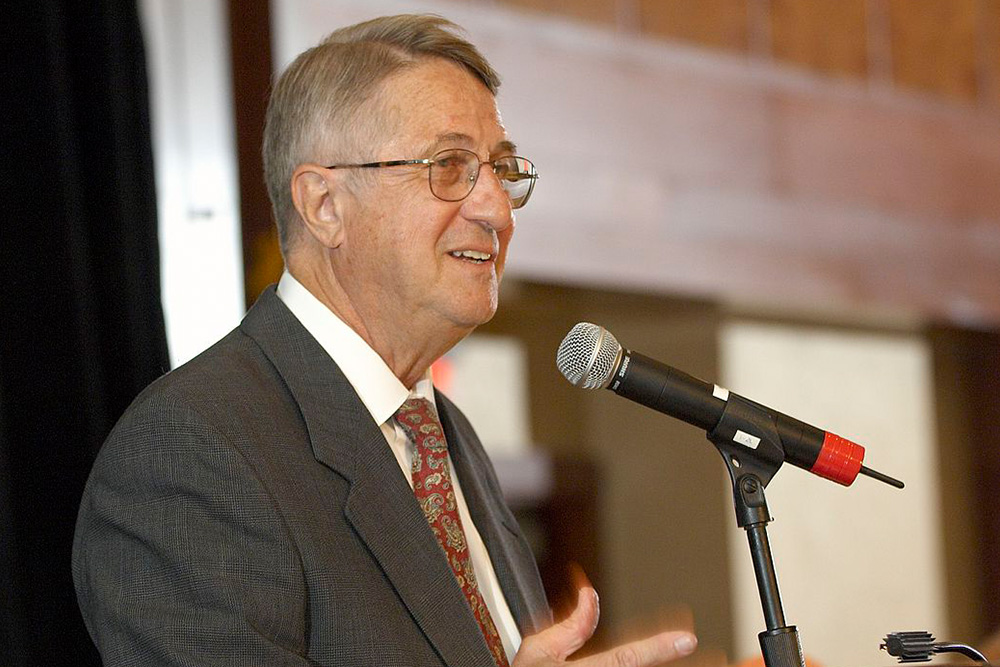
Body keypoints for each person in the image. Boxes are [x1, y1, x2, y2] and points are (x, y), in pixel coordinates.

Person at [72, 14, 698, 666]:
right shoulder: (191, 449)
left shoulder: (441, 432)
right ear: (324, 205)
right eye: (450, 165)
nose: (497, 210)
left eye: (501, 168)